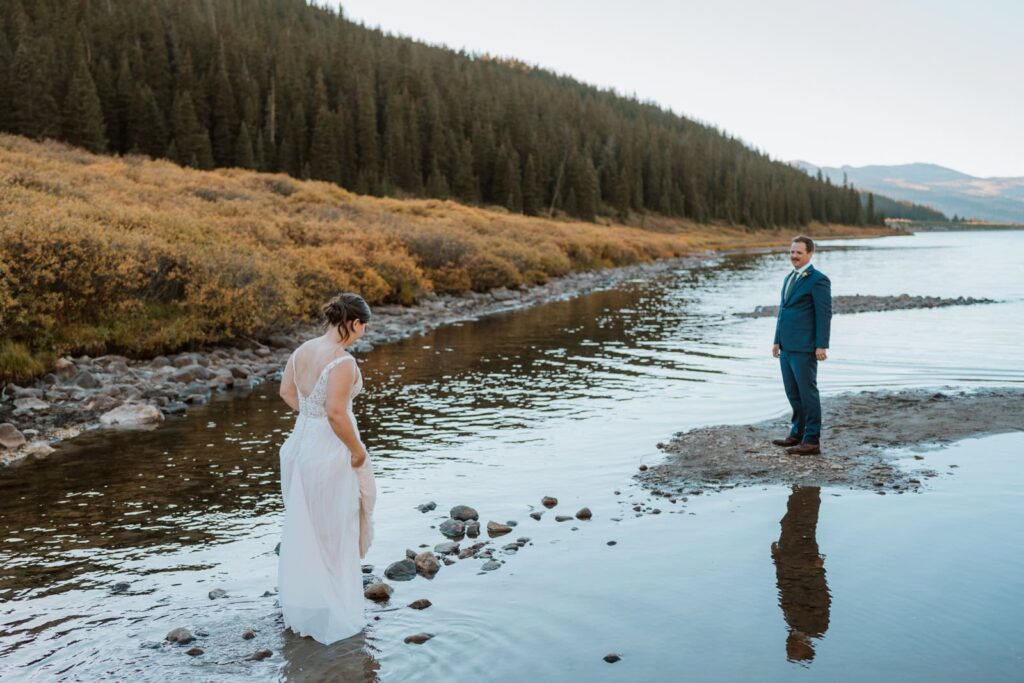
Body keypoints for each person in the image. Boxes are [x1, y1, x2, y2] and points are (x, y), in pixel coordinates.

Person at [276, 293, 377, 645]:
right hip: (329, 452)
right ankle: (336, 613)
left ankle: (305, 606)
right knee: (335, 531)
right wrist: (358, 451)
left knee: (306, 529)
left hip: (299, 445)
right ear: (354, 323)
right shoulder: (342, 361)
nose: (363, 333)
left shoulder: (301, 351)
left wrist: (310, 416)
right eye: (363, 327)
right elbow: (336, 413)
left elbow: (287, 392)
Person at [771, 236, 832, 456]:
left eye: (798, 252)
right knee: (793, 392)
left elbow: (824, 315)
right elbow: (783, 311)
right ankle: (796, 433)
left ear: (809, 254)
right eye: (792, 252)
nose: (794, 256)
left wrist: (821, 345)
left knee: (808, 393)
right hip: (787, 346)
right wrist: (777, 340)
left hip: (805, 347)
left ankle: (812, 440)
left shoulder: (818, 280)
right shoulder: (789, 278)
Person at [771, 486, 830, 662]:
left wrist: (777, 559)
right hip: (805, 565)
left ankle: (802, 489)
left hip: (790, 562)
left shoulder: (791, 623)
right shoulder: (818, 627)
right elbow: (821, 597)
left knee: (790, 524)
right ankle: (809, 489)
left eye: (789, 648)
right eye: (792, 649)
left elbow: (784, 589)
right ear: (804, 648)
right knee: (803, 524)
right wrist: (817, 569)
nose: (787, 645)